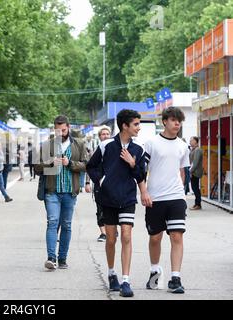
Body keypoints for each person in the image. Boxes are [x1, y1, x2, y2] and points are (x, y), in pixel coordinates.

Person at [86, 109, 148, 298]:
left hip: (128, 198)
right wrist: (101, 180)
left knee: (127, 236)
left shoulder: (139, 149)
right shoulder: (105, 145)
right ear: (125, 126)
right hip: (108, 198)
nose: (139, 127)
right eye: (136, 124)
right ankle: (112, 273)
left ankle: (126, 280)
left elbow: (140, 175)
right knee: (111, 239)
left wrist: (132, 163)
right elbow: (91, 166)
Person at [141, 107, 189, 294]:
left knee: (177, 236)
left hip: (176, 197)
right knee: (155, 237)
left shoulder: (183, 145)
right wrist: (144, 192)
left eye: (179, 121)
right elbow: (142, 171)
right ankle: (155, 272)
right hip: (155, 197)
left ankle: (175, 278)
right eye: (173, 120)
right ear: (165, 122)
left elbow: (183, 172)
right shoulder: (151, 143)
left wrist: (181, 192)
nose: (177, 123)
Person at [35, 115, 88, 271]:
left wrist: (69, 163)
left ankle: (62, 258)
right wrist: (51, 162)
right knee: (52, 222)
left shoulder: (78, 144)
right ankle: (51, 258)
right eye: (57, 130)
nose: (60, 132)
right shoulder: (47, 145)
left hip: (70, 192)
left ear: (68, 127)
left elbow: (86, 165)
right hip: (52, 191)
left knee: (66, 225)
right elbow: (37, 168)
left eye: (63, 129)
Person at [85, 125, 111, 242]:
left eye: (107, 134)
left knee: (111, 208)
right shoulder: (95, 151)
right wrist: (87, 182)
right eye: (103, 134)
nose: (105, 136)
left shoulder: (115, 149)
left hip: (112, 184)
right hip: (98, 183)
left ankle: (112, 229)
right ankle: (103, 233)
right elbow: (89, 167)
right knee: (100, 208)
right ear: (99, 136)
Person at [189, 136, 203, 210]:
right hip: (193, 171)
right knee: (195, 188)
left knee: (196, 188)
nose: (190, 142)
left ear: (195, 141)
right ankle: (197, 203)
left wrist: (190, 171)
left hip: (195, 172)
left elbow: (195, 163)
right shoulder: (193, 150)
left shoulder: (197, 150)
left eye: (191, 140)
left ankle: (198, 204)